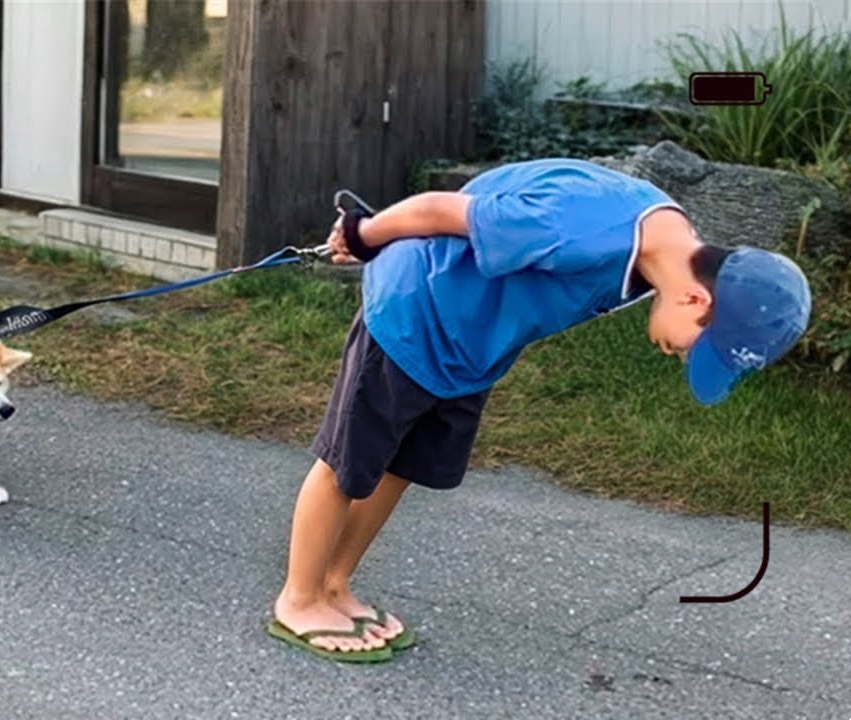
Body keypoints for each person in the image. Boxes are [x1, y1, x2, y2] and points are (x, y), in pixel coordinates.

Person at [266, 158, 812, 663]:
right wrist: (363, 234)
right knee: (348, 463)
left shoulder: (665, 246)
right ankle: (300, 598)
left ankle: (334, 584)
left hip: (472, 346)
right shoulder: (580, 227)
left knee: (400, 466)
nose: (686, 356)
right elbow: (438, 210)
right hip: (416, 311)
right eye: (700, 347)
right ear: (697, 300)